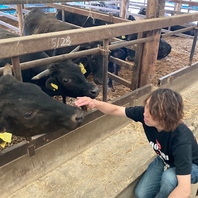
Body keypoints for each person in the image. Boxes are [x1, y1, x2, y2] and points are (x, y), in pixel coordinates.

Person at [75, 88, 198, 198]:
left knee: (169, 178)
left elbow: (184, 190)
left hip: (191, 166)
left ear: (165, 117)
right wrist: (94, 103)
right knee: (141, 194)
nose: (145, 113)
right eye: (147, 105)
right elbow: (115, 109)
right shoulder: (145, 115)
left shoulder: (181, 139)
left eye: (152, 112)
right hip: (165, 159)